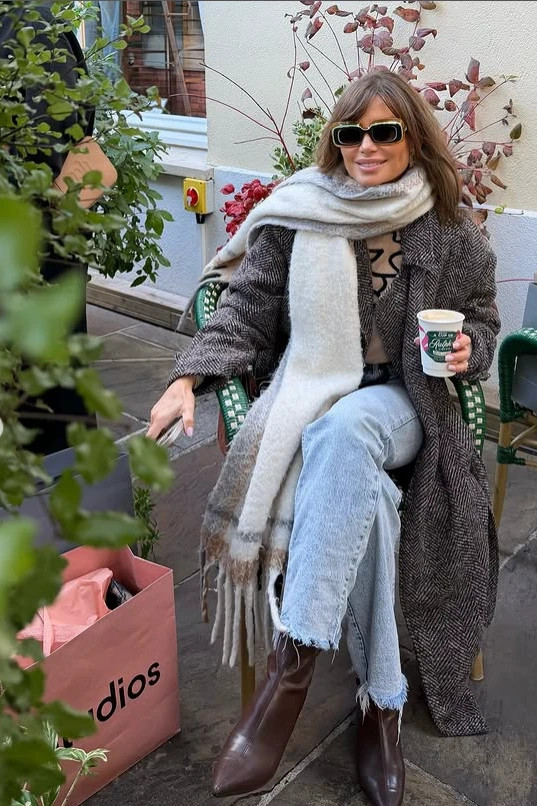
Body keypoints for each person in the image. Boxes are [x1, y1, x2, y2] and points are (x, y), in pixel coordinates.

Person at [148, 71, 500, 806]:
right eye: (351, 134)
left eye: (384, 132)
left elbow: (482, 321)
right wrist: (189, 376)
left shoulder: (449, 231)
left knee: (349, 428)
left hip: (406, 404)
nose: (366, 147)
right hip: (320, 401)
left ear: (412, 139)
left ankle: (291, 670)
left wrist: (469, 347)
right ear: (334, 141)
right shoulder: (298, 215)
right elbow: (243, 309)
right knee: (361, 485)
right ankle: (380, 706)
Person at [1, 3, 95, 454]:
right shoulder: (36, 20)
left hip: (34, 237)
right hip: (46, 230)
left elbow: (46, 138)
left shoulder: (28, 24)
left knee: (44, 388)